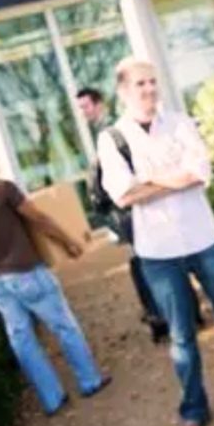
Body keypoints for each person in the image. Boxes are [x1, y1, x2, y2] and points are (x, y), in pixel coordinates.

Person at [98, 57, 214, 426]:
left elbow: (199, 173)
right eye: (140, 84)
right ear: (123, 91)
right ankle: (194, 408)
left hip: (203, 239)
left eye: (152, 82)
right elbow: (122, 195)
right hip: (157, 252)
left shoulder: (179, 122)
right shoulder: (113, 138)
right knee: (181, 337)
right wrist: (172, 178)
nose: (148, 89)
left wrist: (146, 181)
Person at [0, 139, 112, 416]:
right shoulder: (0, 188)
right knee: (64, 326)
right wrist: (69, 241)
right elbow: (39, 219)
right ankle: (90, 381)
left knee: (22, 340)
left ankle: (53, 399)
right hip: (25, 272)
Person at [76, 86, 172, 344]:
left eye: (86, 106)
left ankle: (162, 317)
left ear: (99, 103)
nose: (83, 112)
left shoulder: (112, 130)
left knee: (147, 262)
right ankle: (166, 314)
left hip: (132, 205)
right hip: (128, 206)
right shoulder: (106, 130)